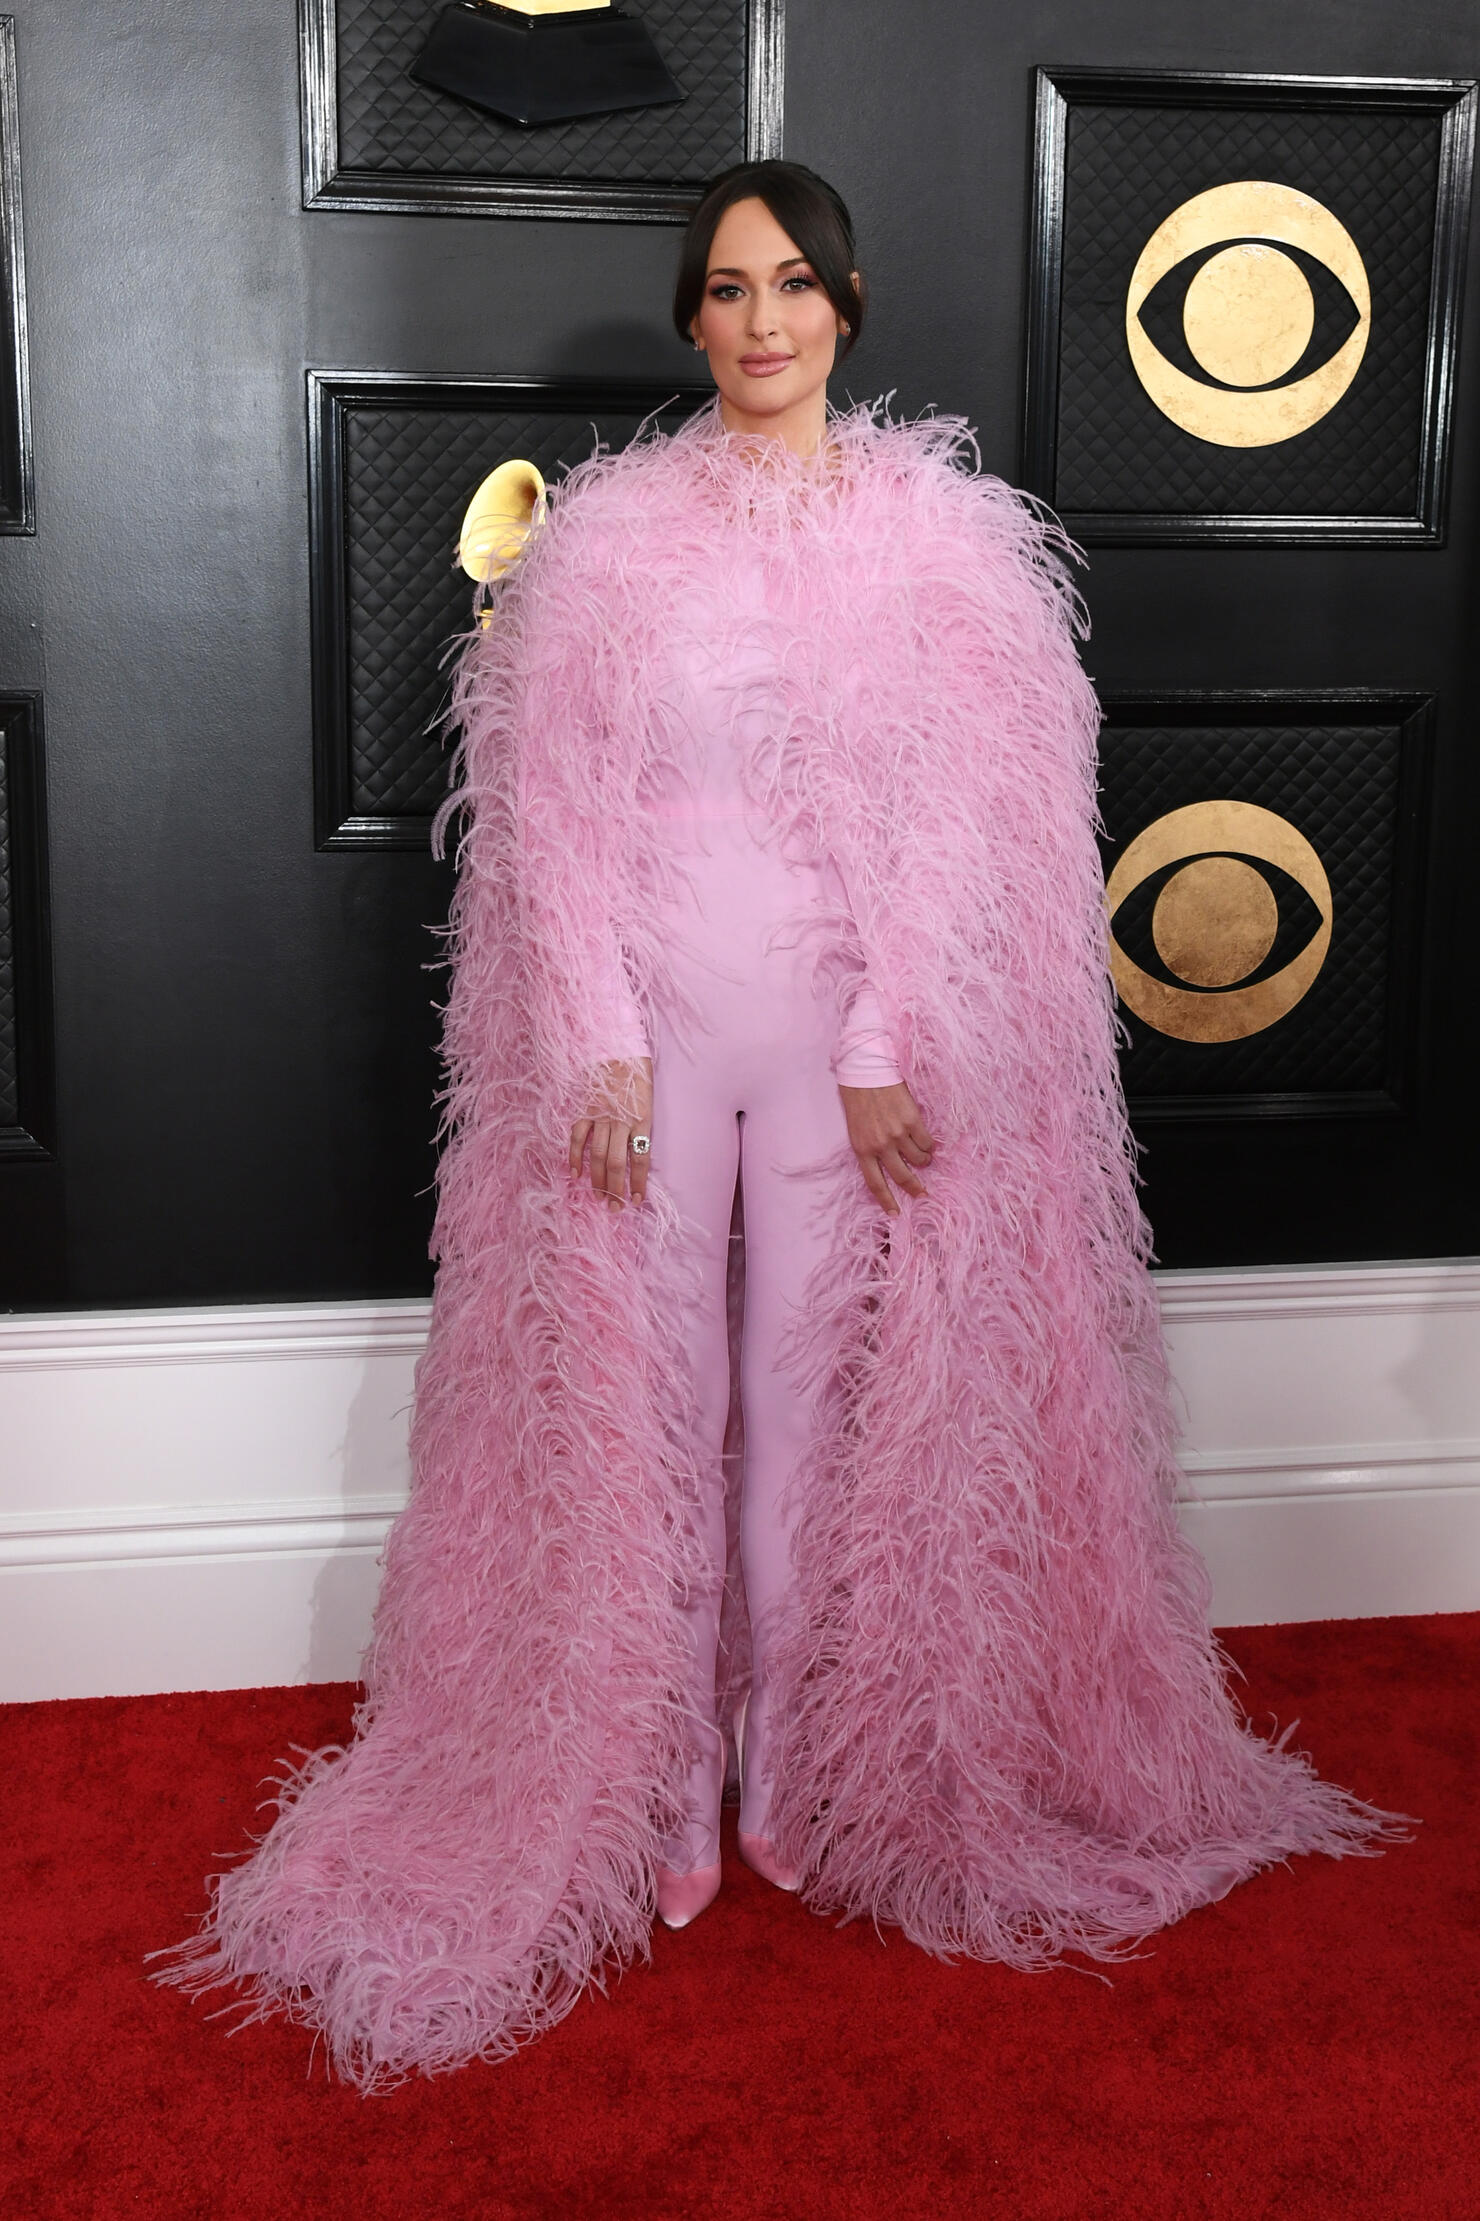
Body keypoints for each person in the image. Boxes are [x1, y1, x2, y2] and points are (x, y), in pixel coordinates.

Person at [148, 160, 1404, 2094]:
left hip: (844, 1058)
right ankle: (644, 1780)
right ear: (690, 319)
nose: (760, 320)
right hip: (649, 1050)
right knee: (644, 1408)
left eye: (793, 283)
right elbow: (545, 810)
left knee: (814, 1418)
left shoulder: (944, 546)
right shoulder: (609, 544)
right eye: (727, 289)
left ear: (848, 303)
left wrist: (894, 1037)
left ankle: (783, 1764)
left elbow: (975, 829)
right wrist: (591, 1032)